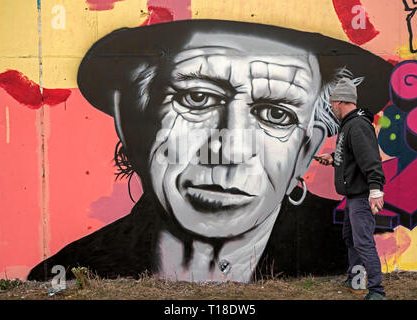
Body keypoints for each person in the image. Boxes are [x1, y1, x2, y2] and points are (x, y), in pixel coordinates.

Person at [27, 20, 392, 283]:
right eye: (197, 98)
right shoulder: (76, 269)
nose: (229, 149)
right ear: (133, 124)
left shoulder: (342, 258)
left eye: (276, 114)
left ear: (305, 149)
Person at [315, 77, 387, 300]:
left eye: (332, 103)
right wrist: (334, 159)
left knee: (363, 241)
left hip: (361, 196)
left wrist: (376, 190)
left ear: (340, 102)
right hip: (352, 196)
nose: (331, 107)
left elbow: (371, 160)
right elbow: (352, 157)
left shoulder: (357, 126)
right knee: (351, 237)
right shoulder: (348, 125)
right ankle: (356, 281)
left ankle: (376, 291)